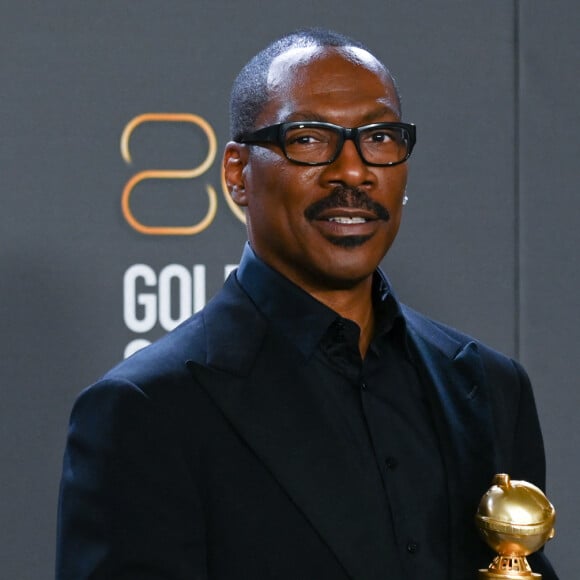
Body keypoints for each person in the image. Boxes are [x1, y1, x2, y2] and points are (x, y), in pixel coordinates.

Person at [56, 28, 558, 579]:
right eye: (310, 139)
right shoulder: (146, 410)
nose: (353, 170)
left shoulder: (490, 386)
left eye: (380, 138)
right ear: (236, 174)